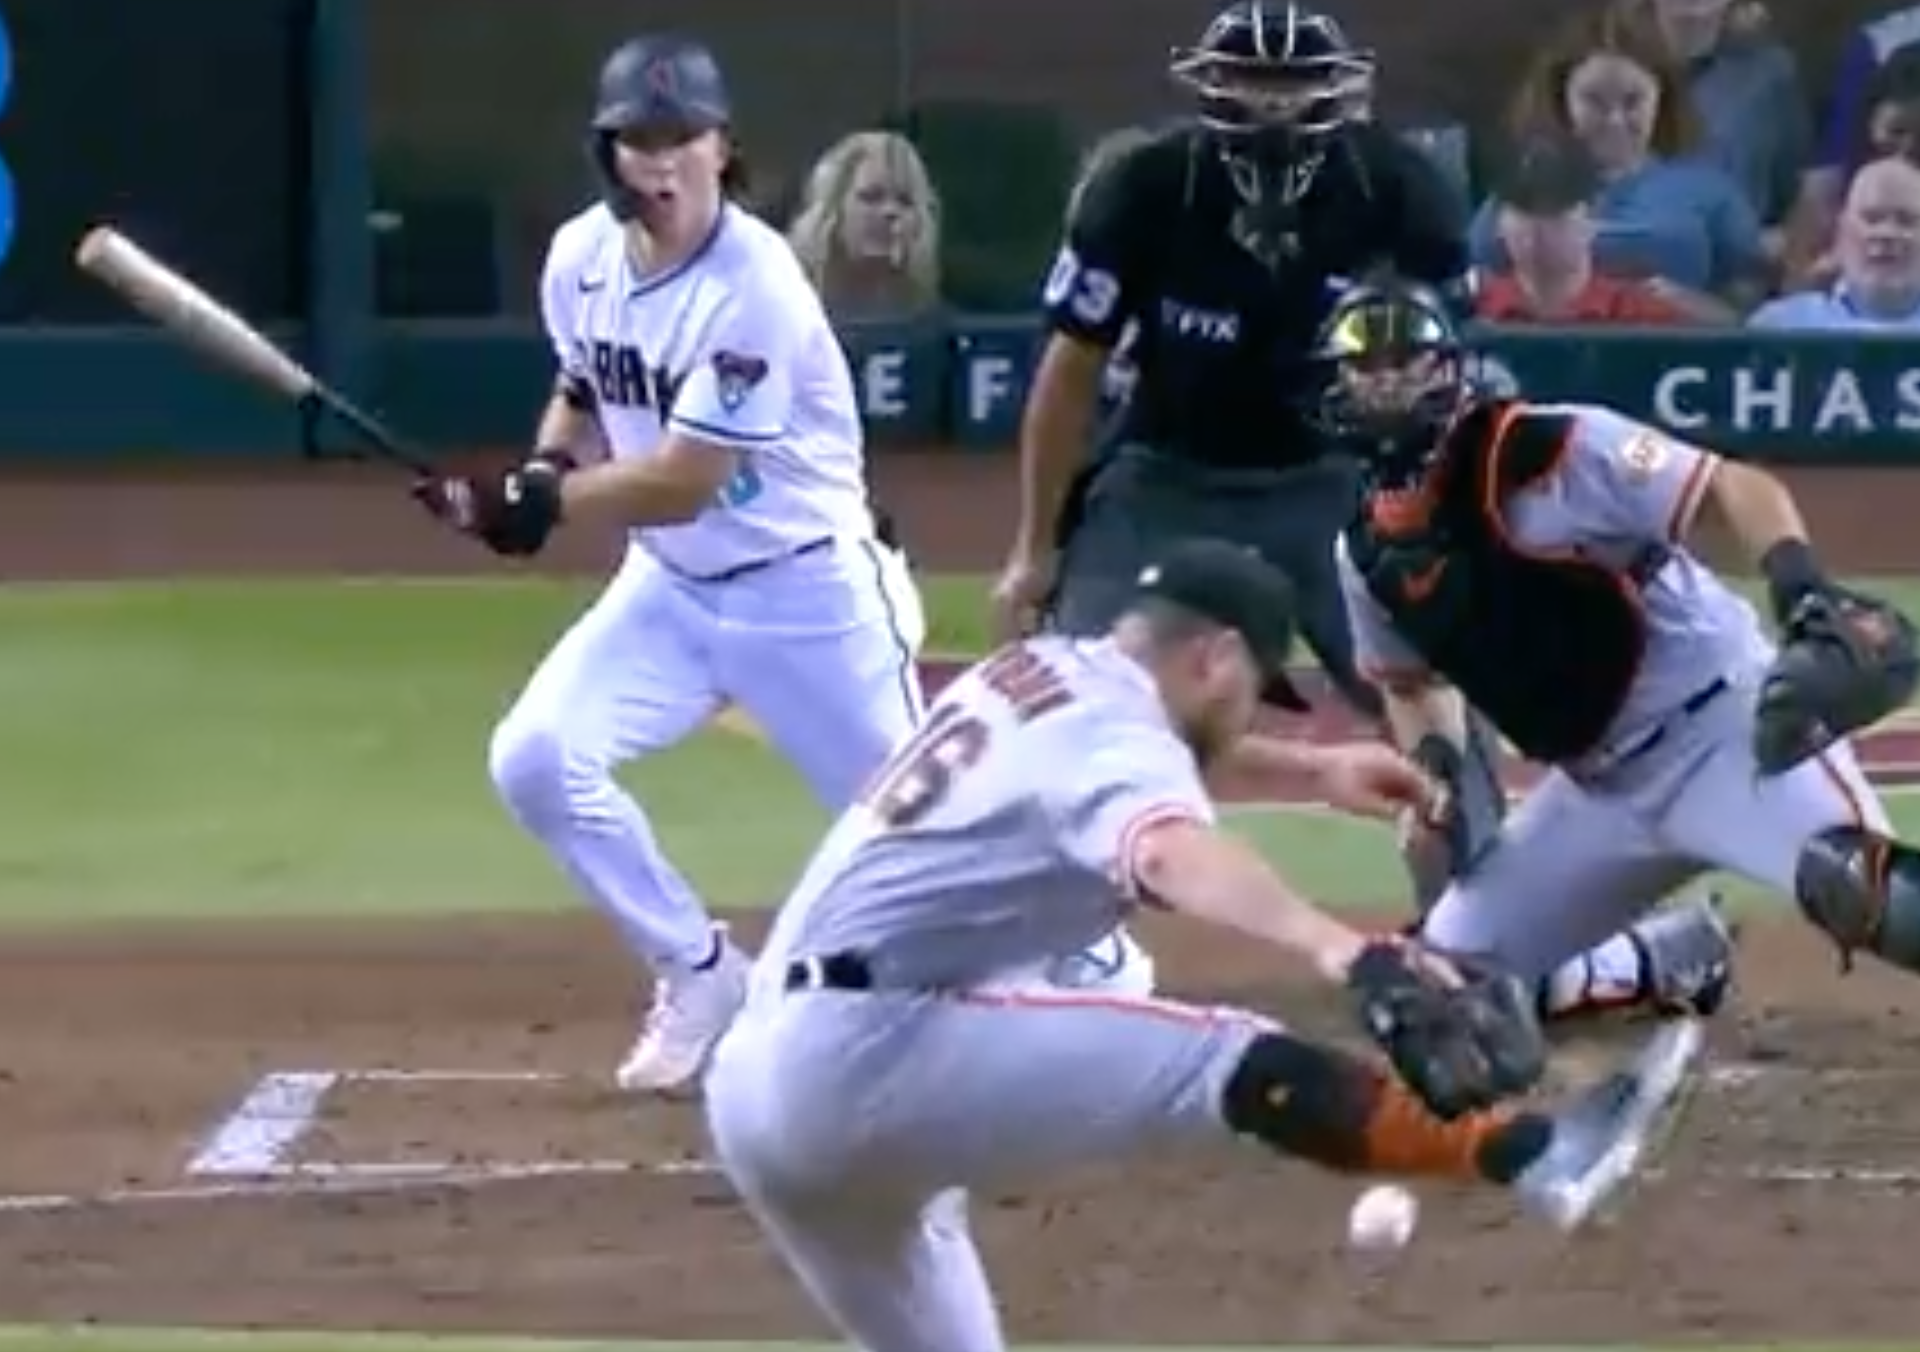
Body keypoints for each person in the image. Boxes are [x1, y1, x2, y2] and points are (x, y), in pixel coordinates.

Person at [705, 539, 1705, 1352]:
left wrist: (1310, 767)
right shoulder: (1118, 742)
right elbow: (1169, 850)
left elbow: (1136, 761)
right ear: (1216, 655)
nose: (1245, 707)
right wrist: (1340, 949)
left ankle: (1537, 1154)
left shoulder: (1034, 672)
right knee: (1224, 1058)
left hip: (758, 1086)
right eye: (1252, 684)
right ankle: (1535, 1153)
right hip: (868, 1054)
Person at [409, 34, 930, 1095]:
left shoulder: (757, 287)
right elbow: (589, 385)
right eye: (637, 142)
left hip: (811, 593)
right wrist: (546, 464)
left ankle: (1091, 970)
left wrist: (540, 500)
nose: (659, 164)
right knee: (538, 756)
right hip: (672, 588)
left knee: (925, 833)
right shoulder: (578, 260)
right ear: (605, 153)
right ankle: (699, 972)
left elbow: (686, 475)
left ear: (722, 148)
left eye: (680, 139)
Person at [991, 2, 1515, 932]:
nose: (1273, 108)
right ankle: (1046, 935)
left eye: (1293, 86)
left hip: (1335, 476)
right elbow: (1067, 372)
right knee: (1078, 694)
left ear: (1339, 89)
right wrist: (1033, 547)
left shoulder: (1402, 188)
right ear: (1207, 86)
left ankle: (1485, 923)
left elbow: (1446, 374)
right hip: (1163, 471)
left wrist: (1438, 513)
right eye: (1252, 84)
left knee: (1428, 688)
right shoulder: (1142, 189)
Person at [1323, 279, 1920, 1019]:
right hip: (1596, 790)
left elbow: (1732, 486)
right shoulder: (1367, 554)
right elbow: (1411, 686)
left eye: (1404, 359)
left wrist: (1800, 589)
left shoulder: (1551, 448)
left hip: (1726, 733)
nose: (1384, 379)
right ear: (1337, 385)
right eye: (1364, 365)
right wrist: (1438, 775)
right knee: (1443, 983)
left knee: (1869, 895)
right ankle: (1666, 956)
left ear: (1448, 369)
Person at [1486, 11, 1768, 314]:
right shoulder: (1526, 179)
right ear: (1562, 98)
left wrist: (1696, 310)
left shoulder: (1708, 188)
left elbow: (1752, 303)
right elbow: (1478, 275)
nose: (1615, 121)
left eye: (1633, 101)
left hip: (1679, 351)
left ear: (1661, 98)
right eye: (1594, 101)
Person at [1474, 133, 1702, 325]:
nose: (1537, 230)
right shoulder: (1467, 317)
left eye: (1556, 212)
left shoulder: (1649, 319)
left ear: (1592, 217)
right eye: (1523, 211)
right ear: (1498, 222)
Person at [786, 129, 944, 323]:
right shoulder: (786, 306)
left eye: (905, 201)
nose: (891, 212)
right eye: (871, 197)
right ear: (833, 209)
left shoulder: (930, 323)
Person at [1750, 155, 1920, 329]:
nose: (1886, 233)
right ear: (1841, 231)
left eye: (1906, 221)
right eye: (1871, 219)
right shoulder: (1779, 326)